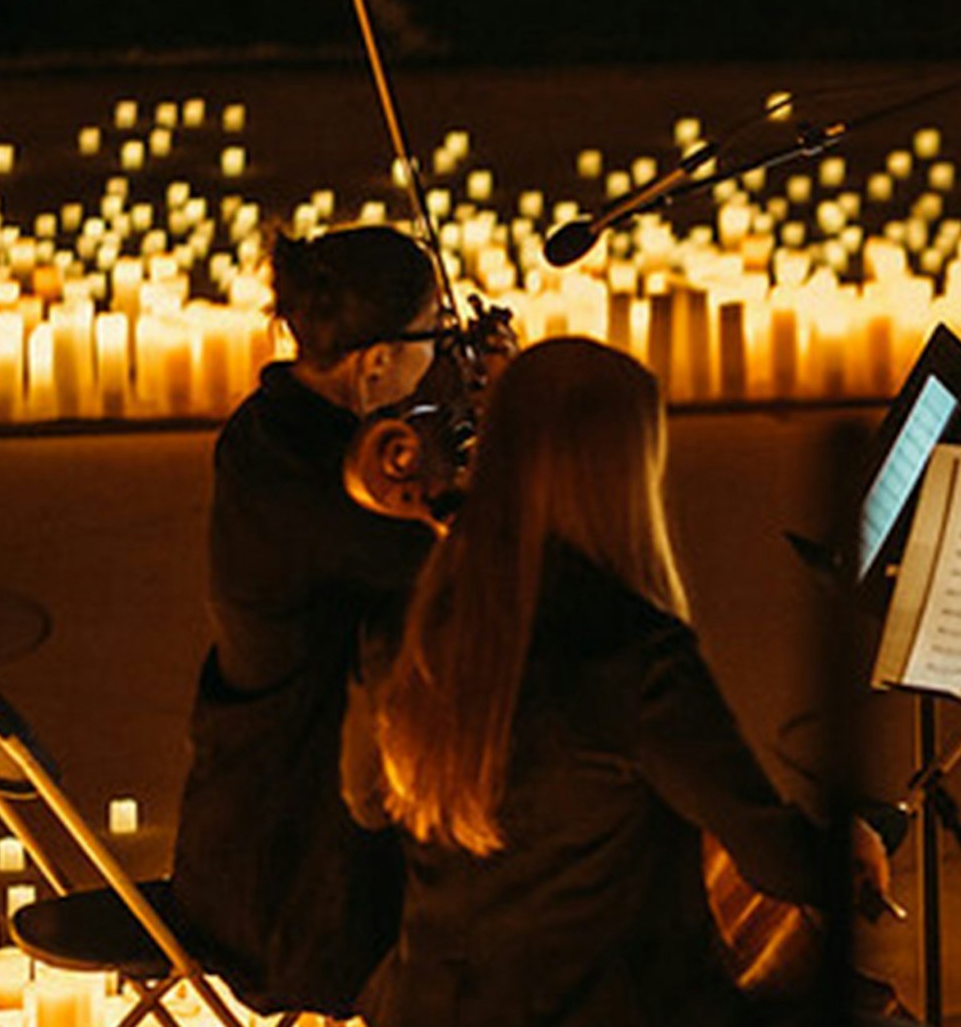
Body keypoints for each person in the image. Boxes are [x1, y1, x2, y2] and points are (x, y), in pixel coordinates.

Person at [343, 338, 891, 1026]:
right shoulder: (631, 651)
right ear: (625, 473)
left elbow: (367, 799)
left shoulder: (405, 627)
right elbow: (776, 858)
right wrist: (849, 845)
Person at [172, 225, 454, 1017]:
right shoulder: (330, 486)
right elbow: (452, 562)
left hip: (237, 814)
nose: (441, 353)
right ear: (375, 362)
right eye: (432, 338)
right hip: (293, 862)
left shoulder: (269, 428)